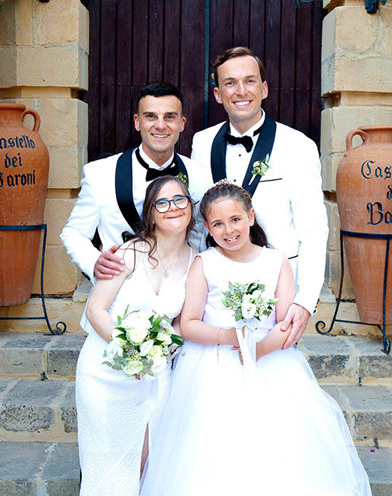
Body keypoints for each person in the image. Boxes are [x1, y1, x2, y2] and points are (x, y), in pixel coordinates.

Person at [140, 182, 371, 496]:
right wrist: (229, 337)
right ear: (207, 227)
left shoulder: (276, 262)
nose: (228, 230)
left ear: (251, 216)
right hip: (212, 366)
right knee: (215, 448)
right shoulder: (205, 263)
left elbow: (286, 324)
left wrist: (257, 349)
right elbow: (189, 323)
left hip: (270, 362)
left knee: (275, 445)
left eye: (235, 219)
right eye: (218, 224)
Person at [191, 46, 329, 349]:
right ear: (217, 94)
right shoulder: (201, 143)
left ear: (264, 89)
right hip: (215, 293)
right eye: (230, 83)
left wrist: (305, 302)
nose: (241, 91)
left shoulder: (299, 146)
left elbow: (314, 229)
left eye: (250, 81)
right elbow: (200, 222)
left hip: (277, 296)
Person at [75, 176, 197, 496]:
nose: (173, 208)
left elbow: (183, 323)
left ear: (191, 207)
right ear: (151, 213)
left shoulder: (196, 261)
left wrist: (160, 348)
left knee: (146, 460)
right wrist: (129, 346)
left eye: (180, 200)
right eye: (162, 203)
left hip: (152, 373)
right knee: (105, 460)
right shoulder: (128, 252)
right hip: (104, 370)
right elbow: (96, 310)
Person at [61, 81, 207, 285]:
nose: (160, 125)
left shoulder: (199, 175)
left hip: (177, 294)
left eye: (169, 117)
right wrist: (93, 262)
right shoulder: (99, 173)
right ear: (137, 122)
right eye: (151, 116)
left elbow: (200, 235)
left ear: (182, 123)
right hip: (116, 292)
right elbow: (73, 232)